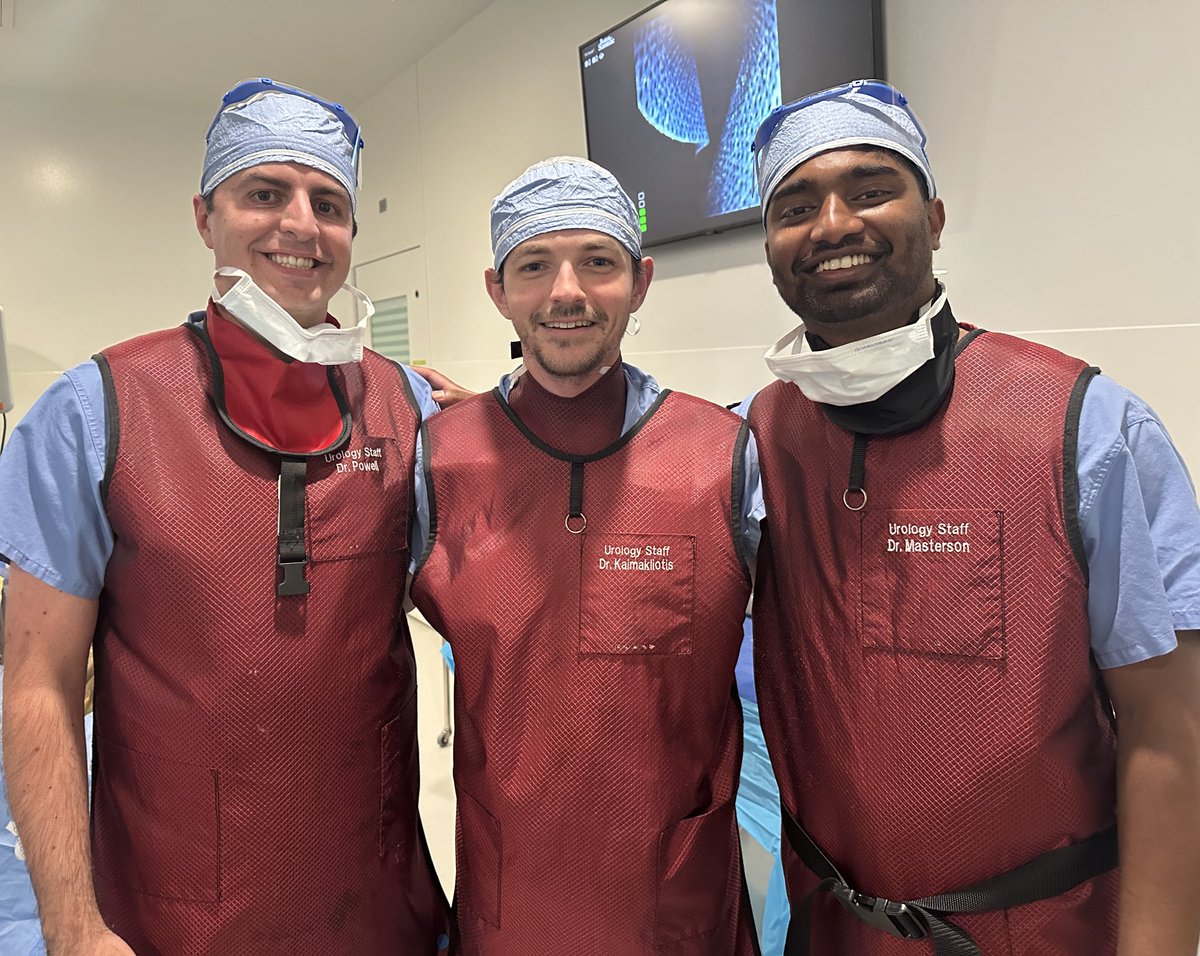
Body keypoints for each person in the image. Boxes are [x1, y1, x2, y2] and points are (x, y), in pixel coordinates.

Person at [742, 79, 1200, 954]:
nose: (833, 224)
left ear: (936, 217)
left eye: (871, 189)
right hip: (832, 928)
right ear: (771, 247)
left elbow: (1169, 731)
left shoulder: (1084, 430)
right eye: (795, 205)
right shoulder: (756, 443)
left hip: (1042, 929)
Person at [0, 78, 451, 954]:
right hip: (168, 917)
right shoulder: (97, 413)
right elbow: (37, 687)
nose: (299, 224)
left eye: (329, 203)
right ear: (204, 216)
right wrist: (74, 929)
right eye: (263, 193)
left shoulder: (406, 410)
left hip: (379, 905)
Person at [409, 156, 764, 954]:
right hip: (514, 898)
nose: (566, 291)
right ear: (498, 290)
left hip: (675, 901)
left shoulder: (723, 455)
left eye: (597, 262)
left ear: (639, 282)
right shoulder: (438, 464)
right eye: (534, 265)